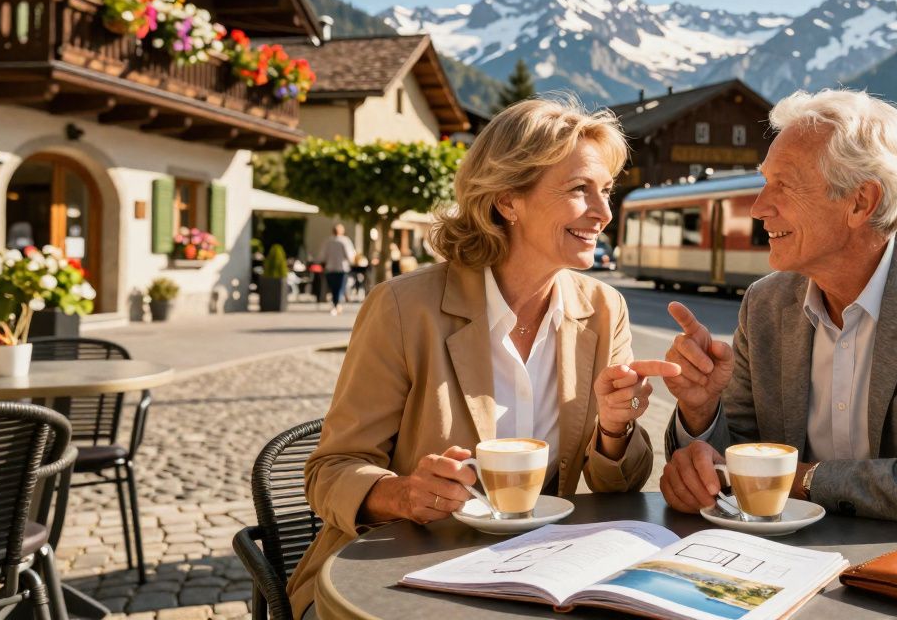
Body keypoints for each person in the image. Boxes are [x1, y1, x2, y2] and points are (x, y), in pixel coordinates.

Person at [286, 98, 679, 616]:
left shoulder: (605, 310)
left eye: (605, 190)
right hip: (389, 578)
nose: (604, 212)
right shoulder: (405, 308)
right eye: (579, 189)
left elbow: (621, 486)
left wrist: (614, 430)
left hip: (532, 575)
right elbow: (330, 471)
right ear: (507, 200)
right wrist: (403, 494)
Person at [660, 88, 897, 555]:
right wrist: (702, 417)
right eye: (764, 183)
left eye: (782, 185)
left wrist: (803, 479)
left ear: (861, 202)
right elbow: (737, 463)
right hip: (796, 564)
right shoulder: (765, 304)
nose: (759, 207)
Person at [318, 224, 356, 315]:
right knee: (340, 288)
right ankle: (337, 304)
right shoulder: (345, 241)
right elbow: (350, 255)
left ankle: (335, 304)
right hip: (342, 268)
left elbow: (322, 256)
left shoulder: (328, 241)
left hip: (330, 268)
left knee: (333, 288)